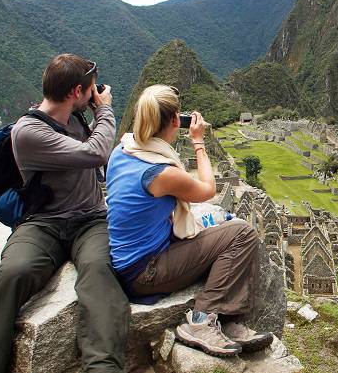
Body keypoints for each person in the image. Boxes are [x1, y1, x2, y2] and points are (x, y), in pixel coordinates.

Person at [0, 54, 129, 372]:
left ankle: (103, 367)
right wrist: (105, 110)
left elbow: (92, 150)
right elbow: (96, 153)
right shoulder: (29, 132)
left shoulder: (75, 117)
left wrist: (93, 114)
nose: (96, 93)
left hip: (90, 219)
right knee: (12, 273)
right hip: (42, 224)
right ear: (76, 91)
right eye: (91, 89)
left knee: (99, 271)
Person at [106, 84, 272, 357]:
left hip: (131, 260)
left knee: (218, 223)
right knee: (242, 233)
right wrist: (198, 142)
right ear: (175, 121)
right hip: (145, 272)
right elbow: (208, 189)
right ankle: (201, 320)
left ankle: (227, 320)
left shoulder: (123, 150)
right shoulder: (159, 172)